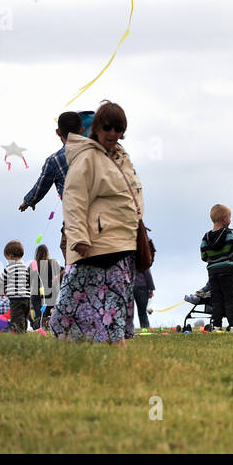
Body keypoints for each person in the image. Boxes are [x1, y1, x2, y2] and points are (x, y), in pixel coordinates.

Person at [51, 100, 141, 345]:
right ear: (97, 128)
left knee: (114, 311)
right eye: (108, 127)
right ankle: (70, 355)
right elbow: (73, 199)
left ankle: (116, 360)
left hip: (122, 242)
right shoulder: (87, 157)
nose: (113, 133)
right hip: (96, 245)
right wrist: (78, 237)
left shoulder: (122, 156)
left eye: (118, 128)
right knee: (71, 312)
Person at [19, 113, 84, 225]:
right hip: (102, 217)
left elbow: (41, 187)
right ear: (82, 130)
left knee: (69, 242)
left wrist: (28, 201)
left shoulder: (55, 160)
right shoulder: (96, 151)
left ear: (58, 132)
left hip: (76, 219)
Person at [201, 204, 233, 331]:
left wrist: (213, 260)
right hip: (228, 271)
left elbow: (203, 255)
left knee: (216, 299)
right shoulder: (230, 234)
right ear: (225, 218)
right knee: (230, 298)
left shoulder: (206, 237)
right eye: (230, 217)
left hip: (213, 272)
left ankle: (216, 325)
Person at [0, 242, 32, 333]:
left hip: (16, 298)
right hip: (27, 298)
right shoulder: (25, 267)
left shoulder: (9, 268)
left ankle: (19, 334)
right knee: (23, 317)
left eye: (7, 258)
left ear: (10, 256)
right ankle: (23, 331)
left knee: (16, 318)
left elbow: (1, 279)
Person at [28, 244, 62, 330]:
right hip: (51, 294)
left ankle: (39, 330)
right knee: (51, 316)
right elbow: (63, 273)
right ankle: (52, 329)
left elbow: (27, 282)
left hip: (37, 296)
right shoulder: (53, 263)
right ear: (47, 253)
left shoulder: (32, 266)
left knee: (40, 317)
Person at [132, 266, 155, 330]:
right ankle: (145, 328)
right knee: (142, 312)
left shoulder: (127, 261)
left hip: (130, 287)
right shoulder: (143, 261)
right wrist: (151, 289)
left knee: (129, 311)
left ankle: (128, 330)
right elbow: (148, 275)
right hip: (142, 287)